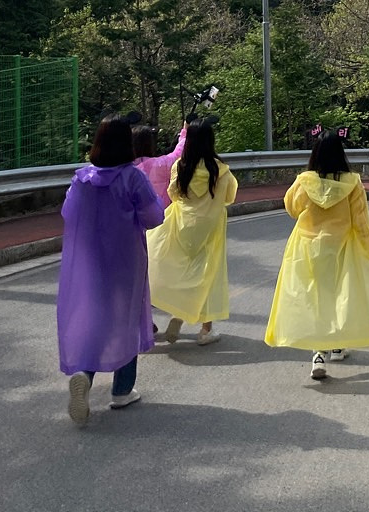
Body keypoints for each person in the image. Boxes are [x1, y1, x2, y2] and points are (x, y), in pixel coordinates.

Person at [264, 130, 369, 379]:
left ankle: (319, 354)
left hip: (307, 247)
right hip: (341, 247)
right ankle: (337, 345)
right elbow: (361, 221)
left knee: (315, 298)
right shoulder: (353, 183)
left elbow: (292, 208)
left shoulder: (305, 181)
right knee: (340, 296)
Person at [56, 114, 164, 426]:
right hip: (125, 259)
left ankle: (84, 374)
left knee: (95, 318)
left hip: (90, 259)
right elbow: (154, 217)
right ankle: (121, 390)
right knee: (126, 319)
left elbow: (68, 213)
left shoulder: (82, 179)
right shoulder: (133, 177)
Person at [147, 119, 238, 345]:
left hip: (181, 223)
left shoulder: (181, 165)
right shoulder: (221, 170)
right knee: (207, 275)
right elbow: (229, 197)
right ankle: (205, 330)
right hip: (210, 228)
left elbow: (173, 193)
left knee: (178, 268)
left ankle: (178, 311)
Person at [132, 122, 187, 209]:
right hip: (161, 213)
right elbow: (178, 154)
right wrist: (185, 132)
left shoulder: (125, 169)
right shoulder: (160, 164)